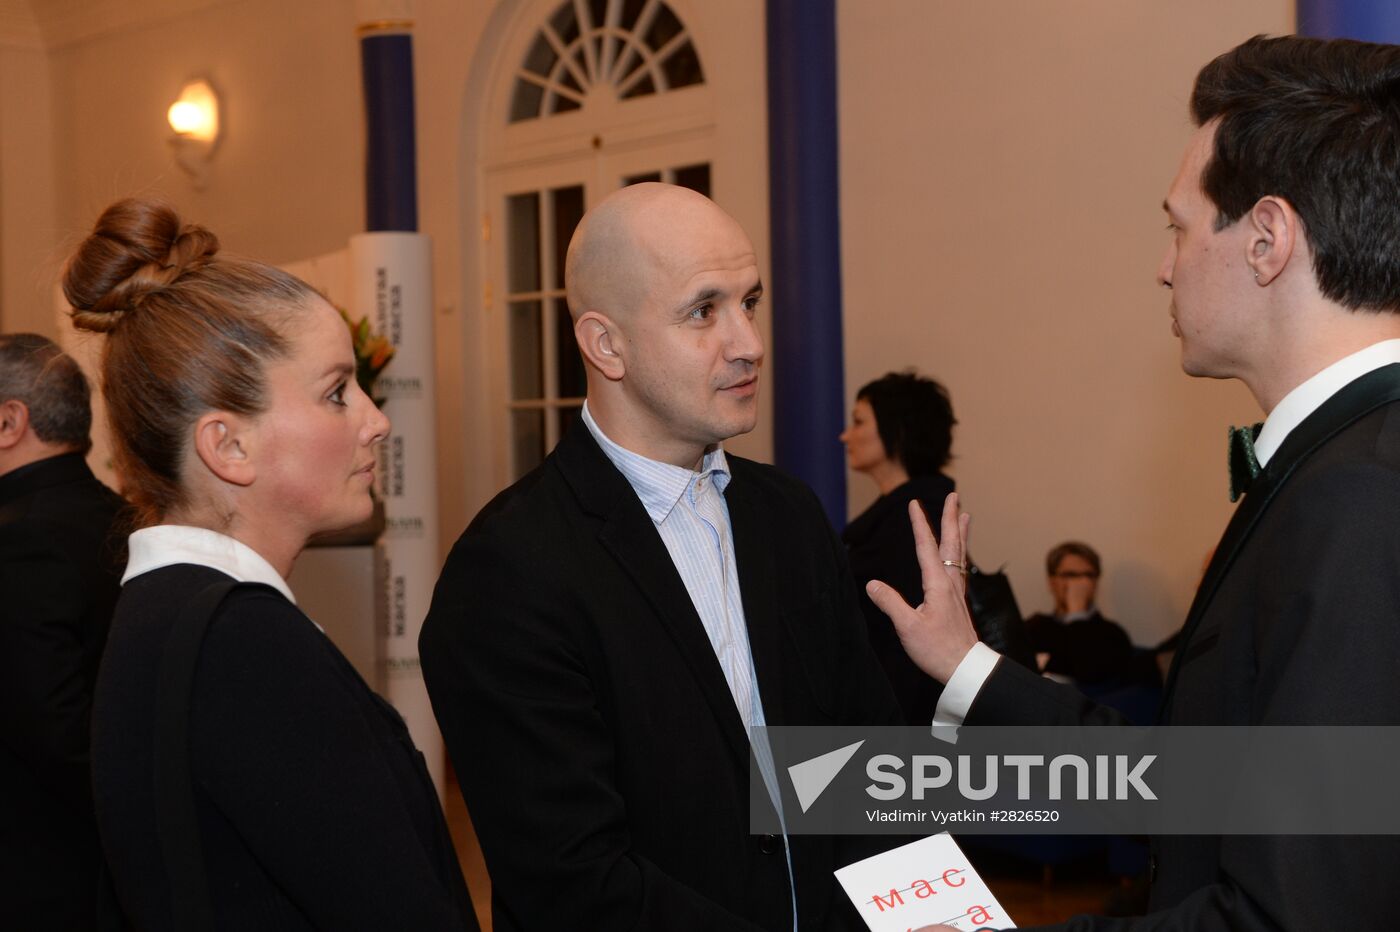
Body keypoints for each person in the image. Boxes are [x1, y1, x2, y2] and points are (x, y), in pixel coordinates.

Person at [876, 35, 1400, 931]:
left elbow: (1294, 916)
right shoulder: (1346, 460)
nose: (1164, 264)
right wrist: (969, 664)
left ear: (1267, 239)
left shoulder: (1359, 500)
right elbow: (1199, 779)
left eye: (1179, 226)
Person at [421, 182, 902, 931]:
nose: (748, 343)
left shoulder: (789, 517)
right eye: (703, 310)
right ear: (605, 344)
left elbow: (866, 773)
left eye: (750, 302)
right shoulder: (506, 574)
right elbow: (575, 883)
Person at [67, 199, 478, 930]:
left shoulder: (169, 612)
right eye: (335, 393)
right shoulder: (240, 643)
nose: (375, 419)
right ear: (228, 447)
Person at [0, 333, 125, 930]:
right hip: (113, 861)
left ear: (8, 421)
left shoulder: (17, 538)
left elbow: (54, 730)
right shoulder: (126, 518)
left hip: (41, 871)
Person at [839, 371, 957, 723]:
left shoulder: (914, 522)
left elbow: (902, 655)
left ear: (897, 430)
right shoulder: (902, 515)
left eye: (859, 422)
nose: (845, 436)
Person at [1023, 541, 1135, 686]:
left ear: (1096, 582)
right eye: (1070, 575)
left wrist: (1077, 613)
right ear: (1052, 582)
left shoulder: (1113, 635)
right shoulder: (1033, 628)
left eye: (1088, 575)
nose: (1079, 583)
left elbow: (1090, 675)